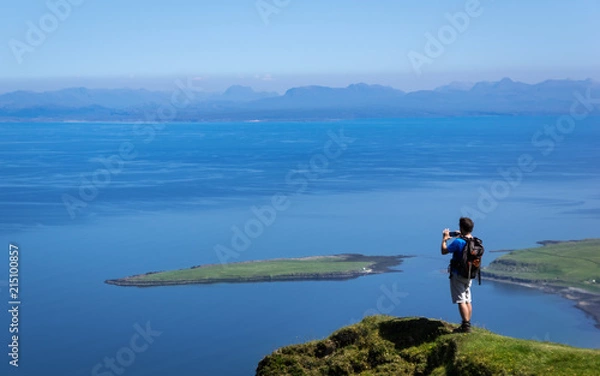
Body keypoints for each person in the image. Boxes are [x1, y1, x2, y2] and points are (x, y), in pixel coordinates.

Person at [441, 217, 475, 333]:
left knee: (461, 300)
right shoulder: (474, 241)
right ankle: (467, 323)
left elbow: (444, 251)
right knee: (467, 300)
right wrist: (461, 235)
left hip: (458, 274)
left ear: (461, 227)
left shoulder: (458, 242)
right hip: (469, 274)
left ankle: (465, 327)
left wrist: (444, 239)